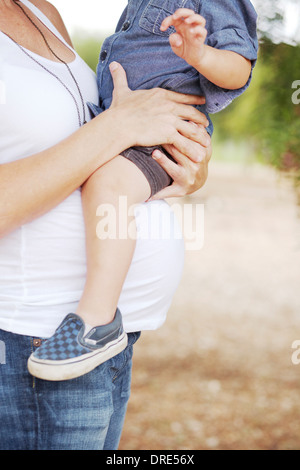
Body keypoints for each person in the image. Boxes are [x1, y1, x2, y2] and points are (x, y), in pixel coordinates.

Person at [0, 0, 212, 450]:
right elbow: (109, 131)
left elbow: (85, 148)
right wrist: (118, 126)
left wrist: (178, 165)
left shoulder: (41, 12)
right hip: (29, 344)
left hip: (102, 344)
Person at [27, 1, 258, 381]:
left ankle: (97, 321)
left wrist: (199, 54)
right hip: (125, 130)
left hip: (162, 136)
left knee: (109, 185)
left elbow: (239, 68)